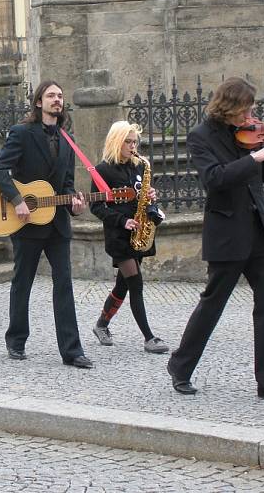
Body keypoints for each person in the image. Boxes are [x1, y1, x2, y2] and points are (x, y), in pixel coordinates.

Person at [167, 77, 264, 402]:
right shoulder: (201, 137)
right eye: (246, 109)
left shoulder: (248, 135)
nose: (251, 116)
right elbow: (215, 179)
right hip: (227, 234)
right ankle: (180, 367)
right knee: (212, 305)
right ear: (229, 106)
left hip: (259, 233)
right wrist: (251, 158)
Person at [0, 80, 93, 369]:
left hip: (57, 224)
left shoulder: (68, 140)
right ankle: (16, 340)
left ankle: (72, 351)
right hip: (27, 222)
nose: (56, 100)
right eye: (50, 95)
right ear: (38, 102)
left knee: (64, 286)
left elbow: (68, 185)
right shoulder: (22, 133)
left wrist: (75, 205)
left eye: (60, 95)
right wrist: (17, 198)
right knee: (23, 282)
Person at [89, 121, 168, 353]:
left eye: (135, 142)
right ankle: (149, 338)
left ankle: (101, 325)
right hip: (118, 235)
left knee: (122, 285)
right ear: (116, 141)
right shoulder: (102, 170)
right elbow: (96, 207)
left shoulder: (139, 167)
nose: (133, 146)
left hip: (139, 233)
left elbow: (144, 197)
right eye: (128, 141)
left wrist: (152, 195)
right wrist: (122, 221)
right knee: (136, 283)